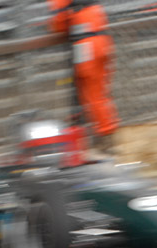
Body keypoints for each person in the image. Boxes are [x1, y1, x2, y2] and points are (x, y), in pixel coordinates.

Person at [47, 0, 118, 151]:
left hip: (85, 45)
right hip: (104, 41)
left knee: (91, 94)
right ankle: (106, 134)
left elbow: (58, 26)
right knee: (101, 92)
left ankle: (105, 138)